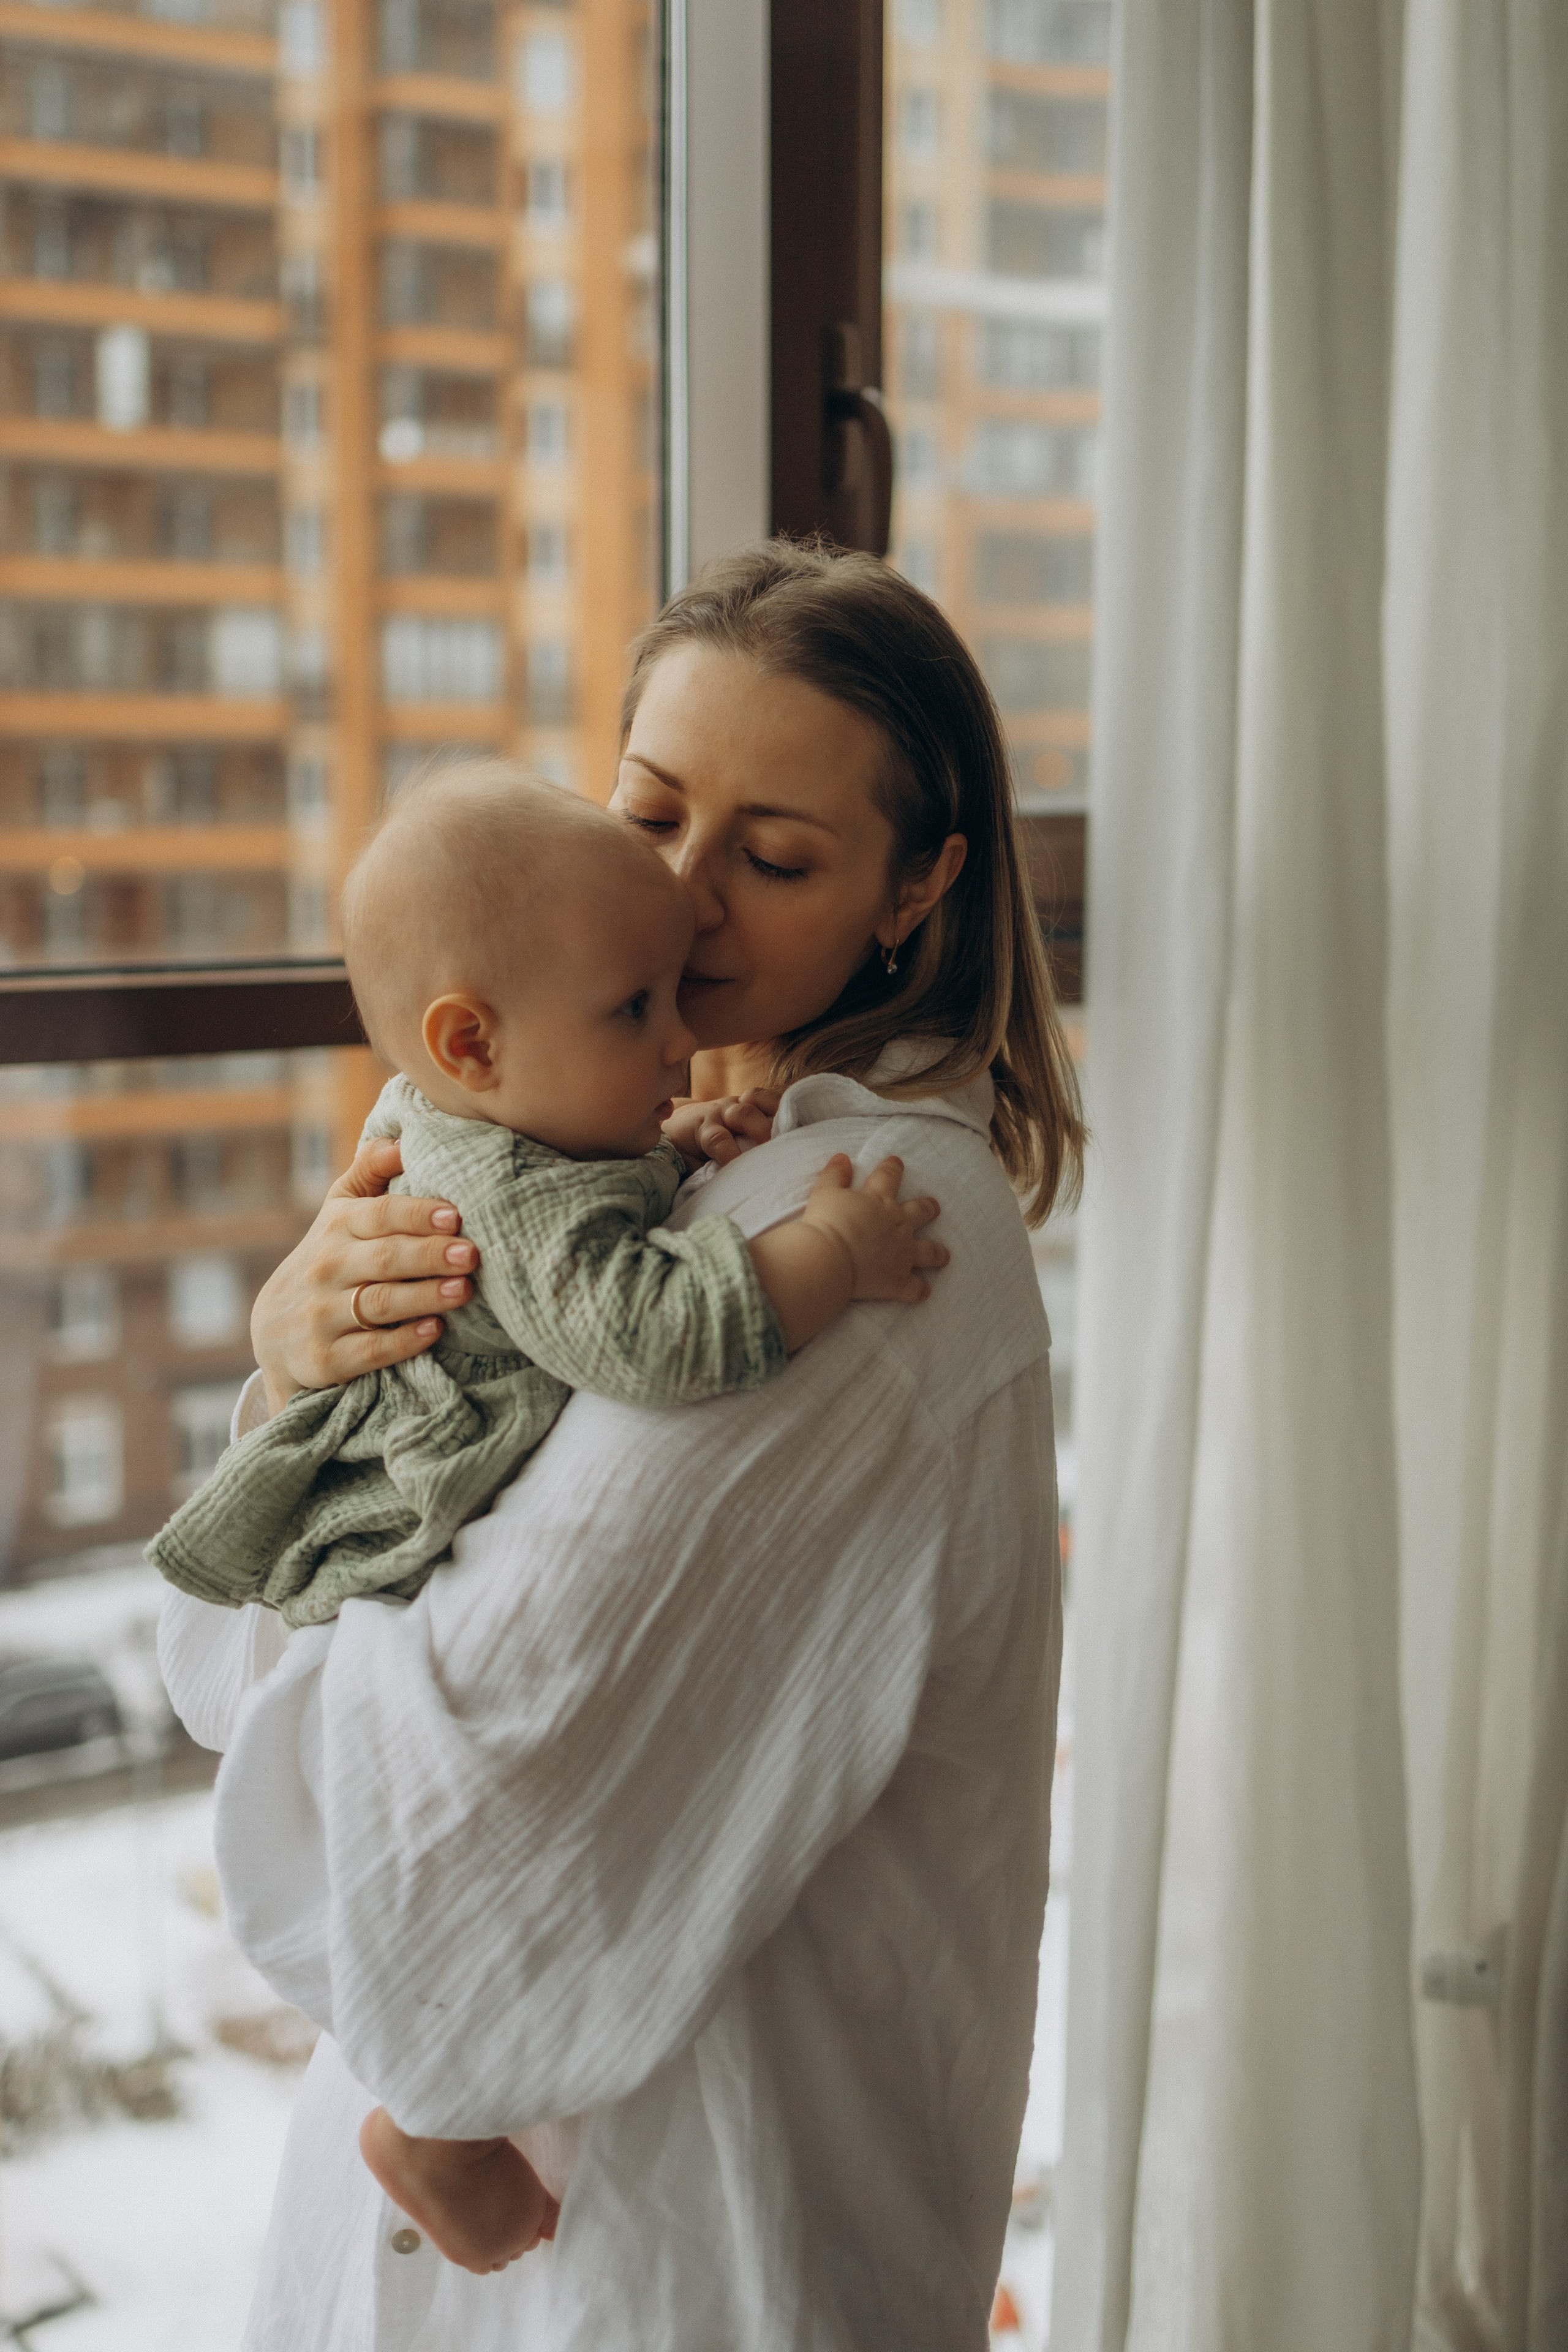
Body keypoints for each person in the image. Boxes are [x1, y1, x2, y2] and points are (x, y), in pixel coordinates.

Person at [159, 540, 1085, 2352]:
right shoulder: (605, 1148)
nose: (678, 896)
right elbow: (225, 1656)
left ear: (921, 888)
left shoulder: (866, 1224)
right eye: (649, 807)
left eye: (779, 855)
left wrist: (334, 1525)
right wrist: (300, 1371)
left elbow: (449, 1787)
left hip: (670, 2259)